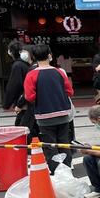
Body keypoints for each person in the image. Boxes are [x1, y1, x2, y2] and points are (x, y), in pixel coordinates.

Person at [23, 44, 74, 173]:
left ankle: (56, 171)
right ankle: (67, 169)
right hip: (63, 113)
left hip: (44, 115)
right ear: (50, 55)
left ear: (33, 57)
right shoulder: (59, 72)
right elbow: (69, 91)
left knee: (50, 145)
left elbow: (29, 96)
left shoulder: (31, 75)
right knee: (64, 142)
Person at [3, 40, 29, 112]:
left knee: (21, 122)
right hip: (28, 99)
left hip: (23, 102)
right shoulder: (26, 63)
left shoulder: (17, 65)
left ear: (11, 52)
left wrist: (6, 104)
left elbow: (14, 85)